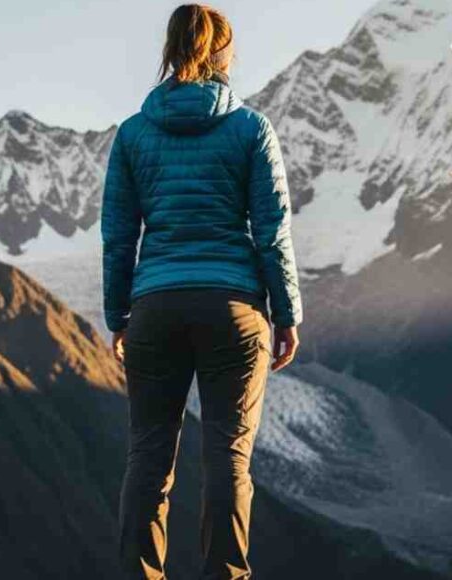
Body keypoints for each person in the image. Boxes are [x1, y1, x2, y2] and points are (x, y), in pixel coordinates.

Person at [101, 4, 303, 578]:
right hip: (233, 308)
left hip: (156, 310)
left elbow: (118, 236)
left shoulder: (134, 134)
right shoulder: (250, 129)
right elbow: (271, 230)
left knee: (148, 454)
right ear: (222, 52)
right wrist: (286, 314)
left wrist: (120, 315)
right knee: (228, 459)